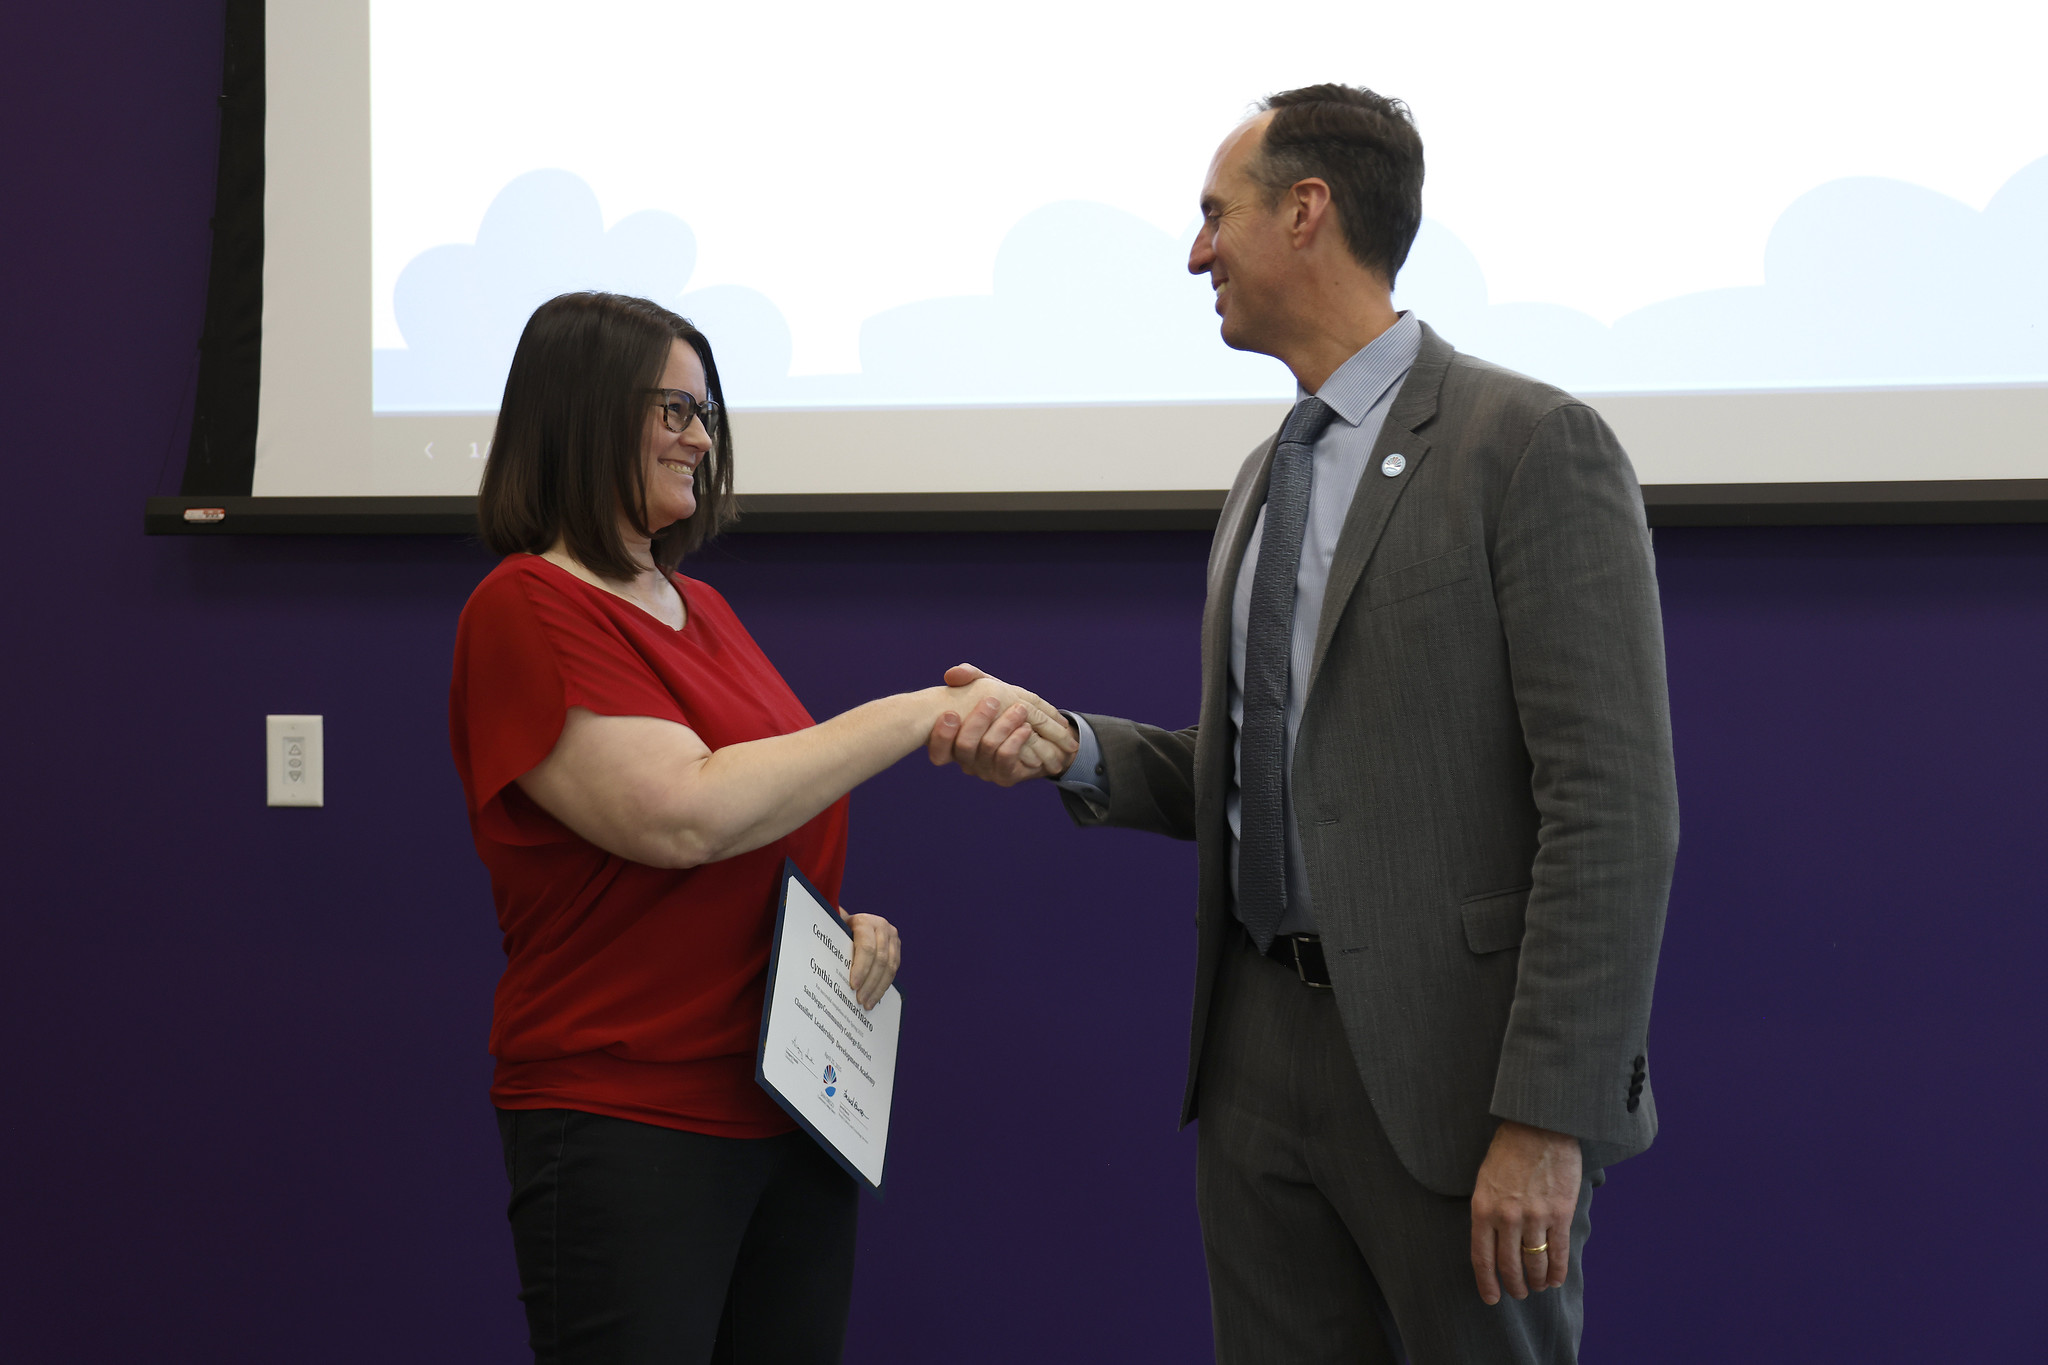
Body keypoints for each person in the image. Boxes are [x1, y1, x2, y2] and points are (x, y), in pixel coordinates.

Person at [929, 86, 1679, 1363]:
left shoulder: (1530, 444)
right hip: (1256, 1061)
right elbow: (1264, 769)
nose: (1194, 252)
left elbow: (1612, 812)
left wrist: (1545, 1119)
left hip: (1456, 1085)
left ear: (1306, 211)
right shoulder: (1264, 475)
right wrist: (1076, 744)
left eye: (1214, 215)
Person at [448, 291, 1075, 1365]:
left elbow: (752, 824)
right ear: (581, 412)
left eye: (706, 414)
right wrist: (914, 712)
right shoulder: (524, 605)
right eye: (672, 412)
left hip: (787, 1107)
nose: (701, 439)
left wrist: (834, 929)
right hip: (629, 1114)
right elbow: (681, 816)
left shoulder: (703, 609)